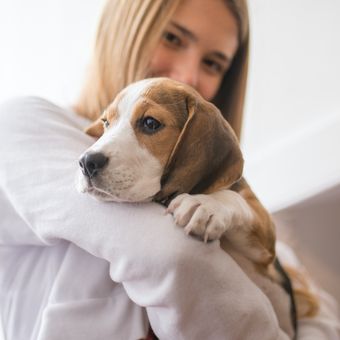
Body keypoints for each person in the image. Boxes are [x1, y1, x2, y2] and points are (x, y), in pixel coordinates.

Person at [0, 0, 339, 339]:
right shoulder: (26, 124)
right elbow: (173, 258)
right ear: (124, 27)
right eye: (173, 38)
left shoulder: (229, 203)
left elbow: (319, 321)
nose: (189, 75)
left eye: (212, 63)